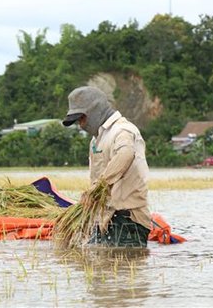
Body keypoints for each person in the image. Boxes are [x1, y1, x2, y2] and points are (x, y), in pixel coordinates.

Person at [62, 86, 151, 247]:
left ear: (95, 111)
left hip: (127, 220)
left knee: (122, 269)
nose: (81, 125)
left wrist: (98, 187)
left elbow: (125, 154)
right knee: (96, 265)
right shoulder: (96, 139)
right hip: (105, 218)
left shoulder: (122, 131)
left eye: (82, 119)